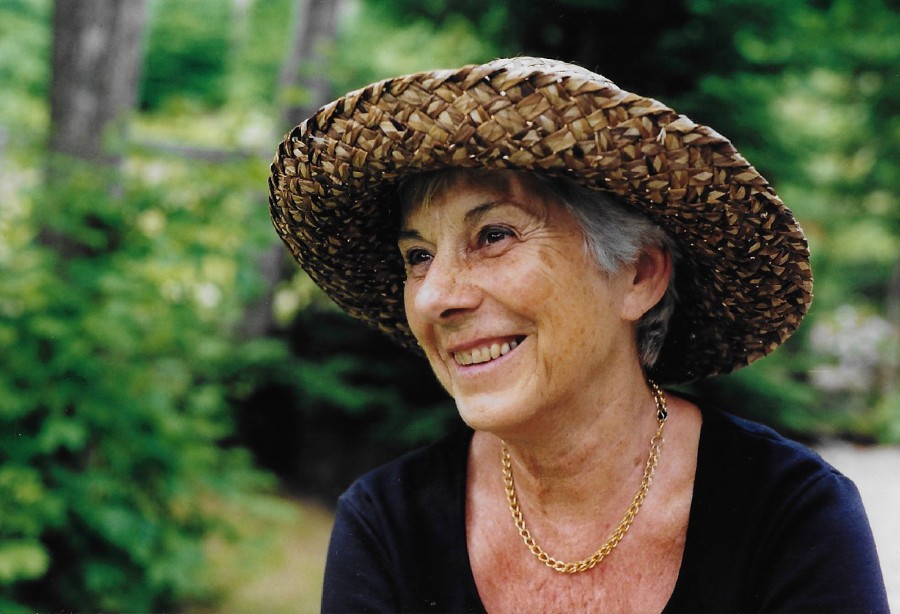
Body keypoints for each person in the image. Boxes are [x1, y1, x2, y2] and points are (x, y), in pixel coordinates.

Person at [268, 57, 889, 612]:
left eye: (494, 236)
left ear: (638, 275)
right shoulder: (387, 525)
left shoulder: (790, 516)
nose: (436, 297)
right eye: (417, 256)